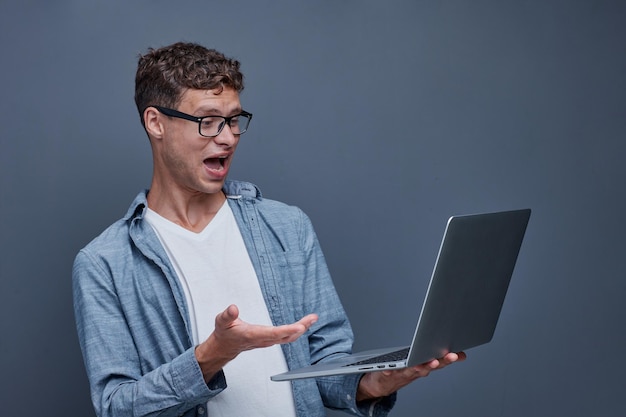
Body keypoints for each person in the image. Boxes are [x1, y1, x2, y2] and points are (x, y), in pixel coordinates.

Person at [72, 41, 465, 417]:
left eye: (233, 120)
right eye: (208, 121)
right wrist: (212, 354)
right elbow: (117, 406)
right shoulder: (105, 263)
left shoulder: (288, 227)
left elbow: (326, 366)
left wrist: (374, 383)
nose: (227, 138)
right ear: (156, 122)